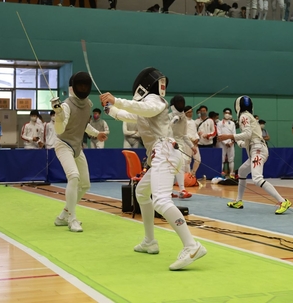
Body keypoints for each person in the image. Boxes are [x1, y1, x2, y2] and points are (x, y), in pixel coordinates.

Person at [101, 67, 207, 270]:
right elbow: (129, 115)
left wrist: (116, 100)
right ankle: (150, 241)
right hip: (163, 154)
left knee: (161, 200)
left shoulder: (154, 101)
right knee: (142, 192)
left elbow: (143, 108)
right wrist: (109, 108)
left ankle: (192, 246)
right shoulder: (146, 106)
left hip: (164, 152)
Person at [49, 72, 107, 232]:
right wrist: (59, 115)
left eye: (85, 85)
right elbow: (59, 130)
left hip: (76, 147)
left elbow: (83, 124)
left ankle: (63, 215)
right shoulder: (66, 106)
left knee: (85, 184)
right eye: (80, 85)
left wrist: (97, 134)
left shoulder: (87, 104)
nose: (82, 88)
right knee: (74, 177)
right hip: (63, 144)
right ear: (73, 87)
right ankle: (72, 219)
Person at [220, 96, 292, 214]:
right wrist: (238, 142)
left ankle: (283, 201)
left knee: (257, 178)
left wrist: (229, 136)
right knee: (242, 172)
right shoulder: (249, 117)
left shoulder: (244, 116)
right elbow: (248, 140)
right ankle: (238, 201)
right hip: (256, 148)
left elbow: (247, 134)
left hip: (257, 149)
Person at [169, 95, 193, 199]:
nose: (180, 105)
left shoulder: (184, 118)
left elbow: (184, 135)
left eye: (182, 103)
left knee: (180, 166)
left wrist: (192, 146)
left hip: (180, 145)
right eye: (178, 103)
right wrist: (173, 121)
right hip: (169, 143)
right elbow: (166, 130)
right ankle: (172, 191)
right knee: (172, 168)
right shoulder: (169, 116)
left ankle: (181, 190)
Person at [217, 107, 236, 177]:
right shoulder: (219, 123)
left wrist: (231, 142)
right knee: (222, 159)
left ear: (230, 114)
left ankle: (231, 173)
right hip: (222, 143)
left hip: (231, 143)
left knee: (231, 159)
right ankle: (221, 174)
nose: (227, 114)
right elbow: (219, 134)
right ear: (223, 113)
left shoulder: (232, 123)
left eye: (228, 113)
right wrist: (225, 143)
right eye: (226, 113)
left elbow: (234, 134)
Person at [185, 106, 201, 177]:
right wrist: (192, 139)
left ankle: (193, 174)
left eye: (191, 112)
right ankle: (188, 176)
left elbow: (195, 132)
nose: (190, 113)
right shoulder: (184, 122)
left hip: (195, 143)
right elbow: (185, 133)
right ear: (185, 113)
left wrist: (197, 138)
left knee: (198, 160)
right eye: (188, 112)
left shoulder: (193, 122)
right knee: (188, 160)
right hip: (187, 143)